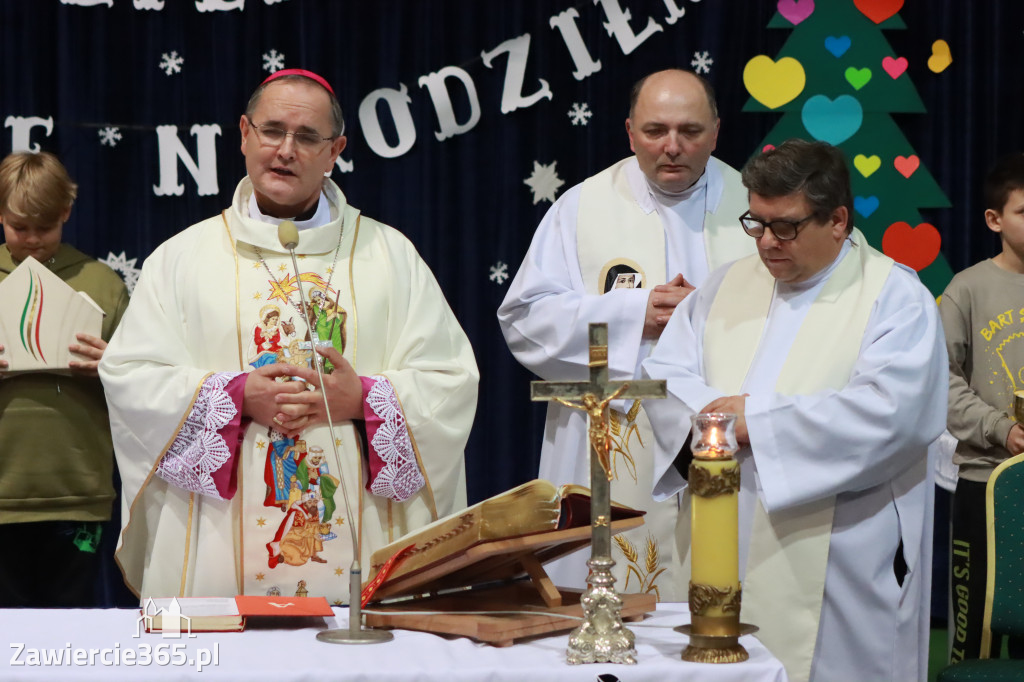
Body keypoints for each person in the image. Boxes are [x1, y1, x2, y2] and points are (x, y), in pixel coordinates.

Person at [99, 69, 478, 603]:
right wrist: (234, 398)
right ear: (244, 134)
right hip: (217, 544)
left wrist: (365, 400)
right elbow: (130, 376)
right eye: (272, 130)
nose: (285, 150)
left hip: (360, 538)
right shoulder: (182, 257)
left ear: (335, 151)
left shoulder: (389, 255)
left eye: (307, 137)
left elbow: (452, 380)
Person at [642, 139, 947, 682]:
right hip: (723, 528)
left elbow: (894, 414)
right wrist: (713, 421)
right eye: (755, 223)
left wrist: (755, 421)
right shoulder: (725, 285)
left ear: (837, 220)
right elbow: (665, 375)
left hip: (840, 551)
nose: (765, 243)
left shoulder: (895, 297)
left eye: (785, 226)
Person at [497, 68, 754, 599]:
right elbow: (524, 319)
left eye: (691, 131)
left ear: (717, 131)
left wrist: (706, 316)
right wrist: (634, 314)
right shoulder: (582, 207)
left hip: (724, 437)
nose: (672, 147)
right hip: (610, 440)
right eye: (656, 130)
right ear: (630, 132)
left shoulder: (755, 208)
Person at [0, 151, 130, 607]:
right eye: (19, 228)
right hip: (3, 495)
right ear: (0, 215)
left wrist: (112, 365)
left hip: (79, 495)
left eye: (45, 228)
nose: (33, 241)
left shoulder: (102, 283)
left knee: (69, 638)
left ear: (67, 214)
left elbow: (144, 386)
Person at [939, 152, 1024, 663]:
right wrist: (1001, 429)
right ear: (994, 219)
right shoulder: (967, 289)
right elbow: (941, 381)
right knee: (979, 631)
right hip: (986, 482)